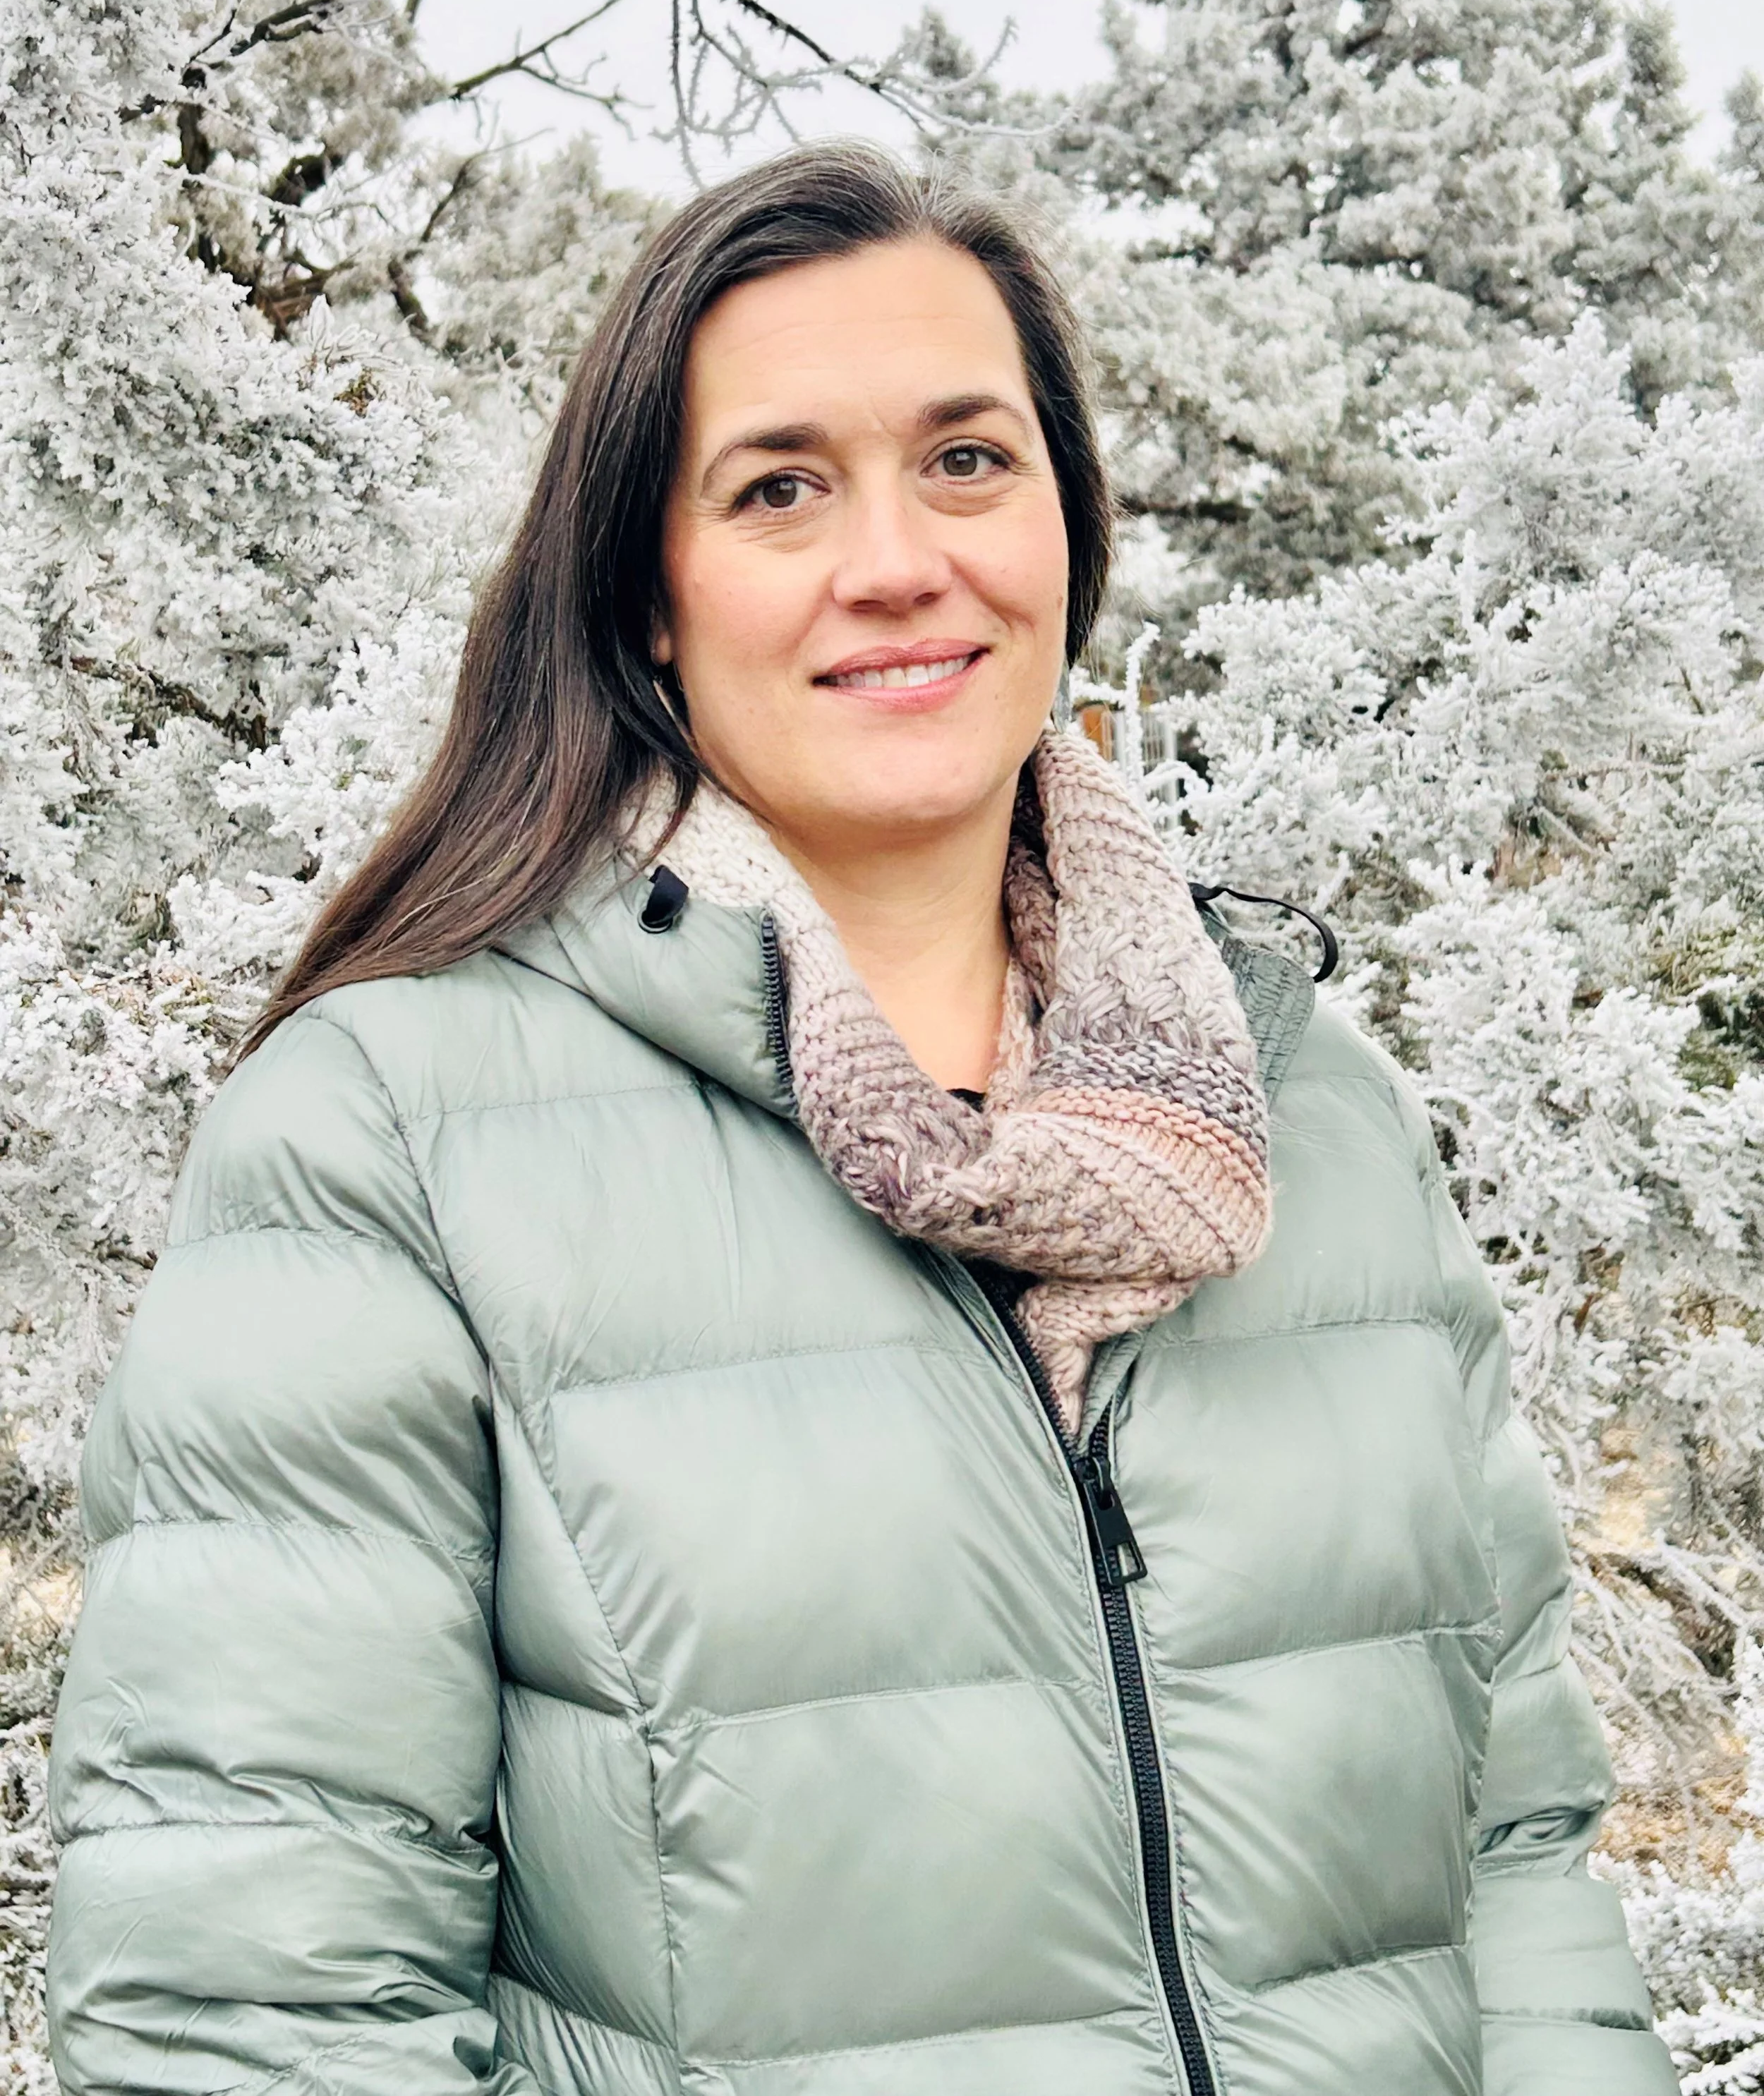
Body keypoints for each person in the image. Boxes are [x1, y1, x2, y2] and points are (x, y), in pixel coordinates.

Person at [45, 144, 1675, 2096]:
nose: (896, 556)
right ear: (646, 598)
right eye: (780, 486)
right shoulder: (387, 1144)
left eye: (967, 460)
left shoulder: (1311, 1117)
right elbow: (253, 2013)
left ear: (1067, 527)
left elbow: (1512, 1864)